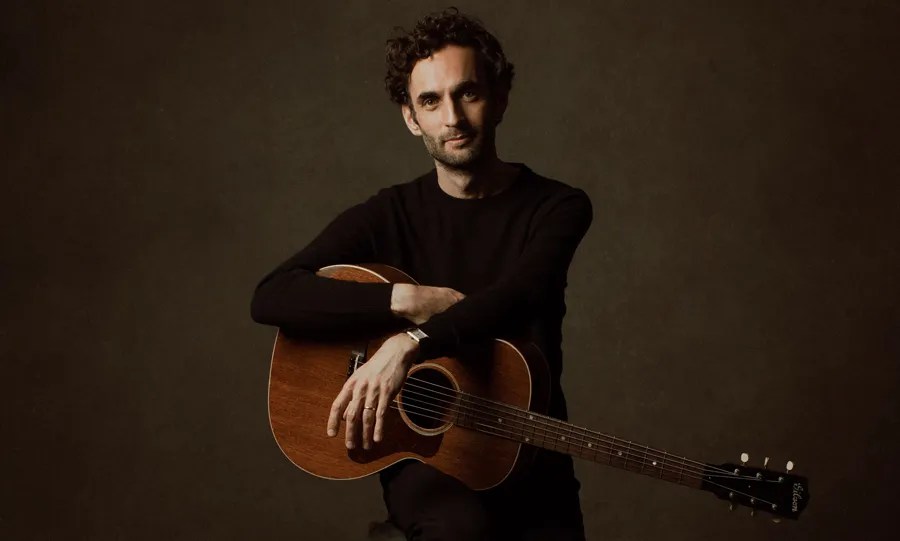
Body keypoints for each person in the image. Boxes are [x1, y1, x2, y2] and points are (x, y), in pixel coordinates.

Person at [251, 8, 592, 540]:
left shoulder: (557, 208)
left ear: (500, 98)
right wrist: (403, 300)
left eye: (468, 93)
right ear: (411, 117)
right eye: (430, 101)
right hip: (431, 459)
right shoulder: (388, 214)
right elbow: (272, 295)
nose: (452, 117)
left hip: (531, 459)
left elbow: (520, 293)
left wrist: (409, 345)